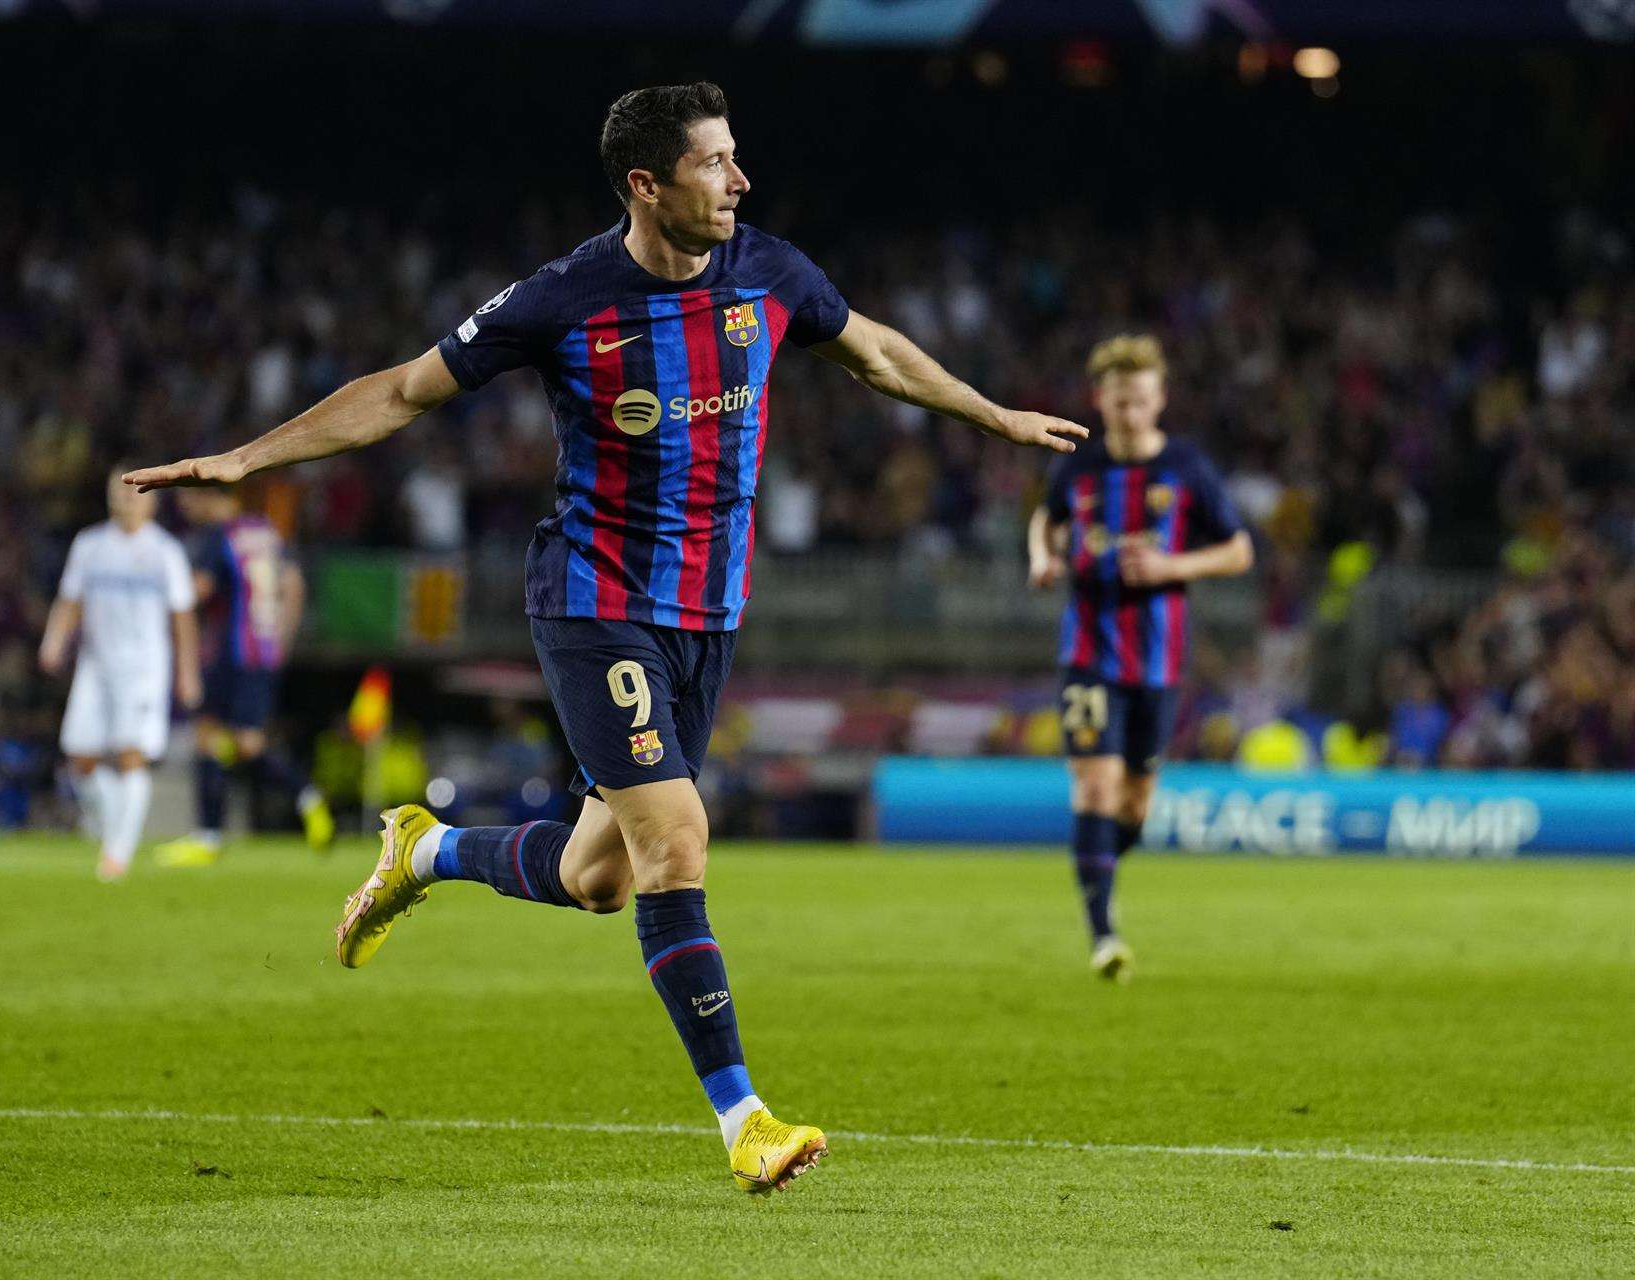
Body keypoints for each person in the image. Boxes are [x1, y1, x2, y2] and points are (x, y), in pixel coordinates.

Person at [126, 81, 1085, 1193]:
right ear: (647, 183)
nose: (740, 181)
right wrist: (251, 458)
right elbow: (402, 391)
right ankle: (746, 1120)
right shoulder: (563, 297)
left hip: (707, 617)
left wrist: (998, 416)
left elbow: (876, 353)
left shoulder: (771, 273)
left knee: (599, 877)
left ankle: (423, 850)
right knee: (678, 839)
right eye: (715, 164)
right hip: (595, 601)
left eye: (736, 158)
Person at [1027, 335, 1253, 981]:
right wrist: (1041, 557)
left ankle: (1096, 868)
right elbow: (1046, 519)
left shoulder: (1186, 468)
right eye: (1122, 402)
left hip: (1157, 662)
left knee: (1133, 806)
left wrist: (1172, 565)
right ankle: (1103, 934)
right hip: (1088, 651)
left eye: (1143, 401)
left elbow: (1239, 551)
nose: (1131, 414)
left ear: (1160, 401)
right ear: (1102, 400)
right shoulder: (1080, 467)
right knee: (1094, 785)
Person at [151, 488, 334, 867]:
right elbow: (294, 585)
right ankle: (306, 797)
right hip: (262, 652)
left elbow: (198, 589)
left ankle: (210, 836)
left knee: (216, 738)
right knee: (242, 742)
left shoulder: (220, 535)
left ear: (210, 496)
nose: (185, 505)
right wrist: (280, 639)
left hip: (230, 653)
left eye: (188, 496)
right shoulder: (265, 532)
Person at [39, 468, 202, 881]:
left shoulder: (165, 552)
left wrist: (187, 672)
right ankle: (111, 827)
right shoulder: (90, 545)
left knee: (131, 755)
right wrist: (54, 641)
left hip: (144, 667)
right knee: (79, 755)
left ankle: (118, 853)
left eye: (135, 490)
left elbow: (182, 617)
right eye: (120, 489)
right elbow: (70, 599)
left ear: (151, 499)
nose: (128, 497)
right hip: (96, 665)